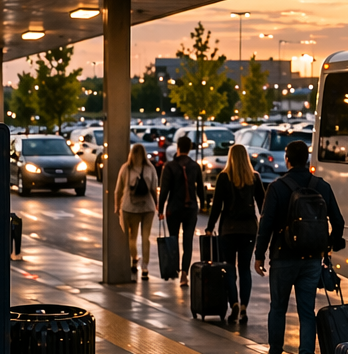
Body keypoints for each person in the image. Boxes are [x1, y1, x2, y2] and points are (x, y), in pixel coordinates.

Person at [255, 140, 345, 354]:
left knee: (278, 307)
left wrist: (259, 254)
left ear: (287, 159)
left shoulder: (277, 187)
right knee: (307, 311)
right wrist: (329, 246)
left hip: (283, 256)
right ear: (307, 159)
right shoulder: (322, 186)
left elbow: (266, 224)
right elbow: (338, 221)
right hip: (311, 259)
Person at [206, 143, 266, 324]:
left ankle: (233, 302)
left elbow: (216, 206)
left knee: (229, 267)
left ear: (230, 157)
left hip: (228, 230)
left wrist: (210, 227)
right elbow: (263, 206)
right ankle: (244, 308)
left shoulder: (224, 177)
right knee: (245, 268)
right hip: (248, 229)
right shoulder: (254, 178)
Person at [156, 135, 205, 287]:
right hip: (190, 208)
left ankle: (174, 269)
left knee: (173, 239)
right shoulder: (195, 166)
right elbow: (200, 188)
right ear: (189, 148)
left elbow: (164, 190)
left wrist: (161, 209)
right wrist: (203, 204)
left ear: (178, 147)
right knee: (188, 241)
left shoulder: (169, 166)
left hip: (174, 208)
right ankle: (184, 273)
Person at [113, 142, 160, 280]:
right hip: (147, 208)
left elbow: (118, 190)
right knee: (146, 238)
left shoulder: (126, 168)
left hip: (129, 207)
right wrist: (157, 205)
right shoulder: (150, 168)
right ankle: (145, 267)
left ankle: (134, 259)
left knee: (131, 237)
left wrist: (117, 206)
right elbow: (153, 189)